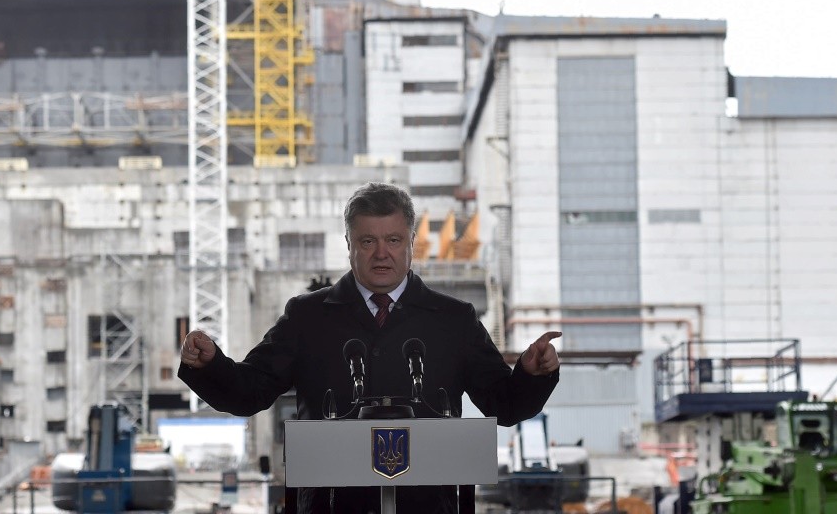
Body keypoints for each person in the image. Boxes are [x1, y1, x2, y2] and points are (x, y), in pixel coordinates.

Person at [179, 181, 561, 513]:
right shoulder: (308, 316)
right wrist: (211, 365)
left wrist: (531, 374)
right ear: (349, 244)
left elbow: (504, 404)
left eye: (393, 240)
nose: (382, 253)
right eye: (368, 241)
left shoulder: (454, 319)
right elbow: (249, 392)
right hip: (329, 505)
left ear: (411, 242)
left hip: (430, 507)